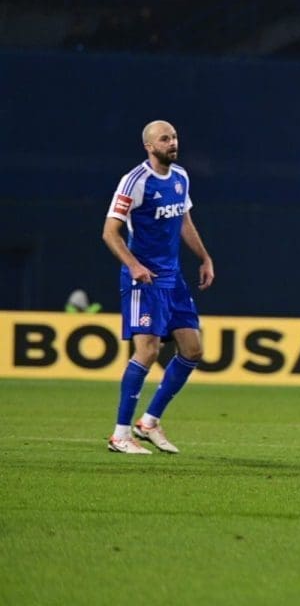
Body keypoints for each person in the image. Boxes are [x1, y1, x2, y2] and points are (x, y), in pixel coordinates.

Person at [102, 120, 215, 454]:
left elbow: (184, 220)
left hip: (173, 279)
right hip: (143, 280)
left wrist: (205, 257)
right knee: (148, 351)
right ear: (149, 146)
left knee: (193, 350)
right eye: (165, 139)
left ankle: (148, 422)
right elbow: (110, 232)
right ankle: (120, 434)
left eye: (175, 137)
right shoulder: (134, 181)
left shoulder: (180, 177)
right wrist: (134, 265)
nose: (173, 142)